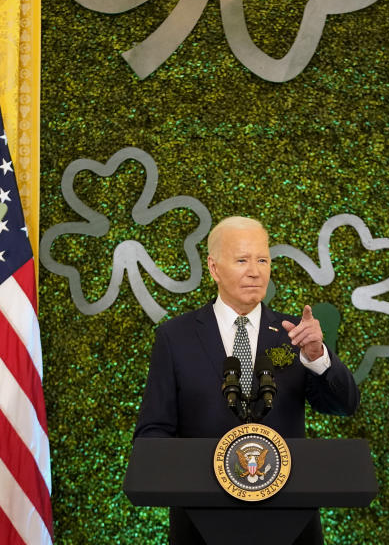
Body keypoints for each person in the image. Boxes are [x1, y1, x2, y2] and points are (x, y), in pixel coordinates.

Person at [134, 216, 360, 544]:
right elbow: (153, 430)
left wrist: (317, 356)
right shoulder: (174, 337)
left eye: (263, 260)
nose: (255, 271)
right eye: (242, 260)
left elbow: (344, 405)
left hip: (290, 521)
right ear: (214, 268)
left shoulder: (296, 334)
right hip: (202, 524)